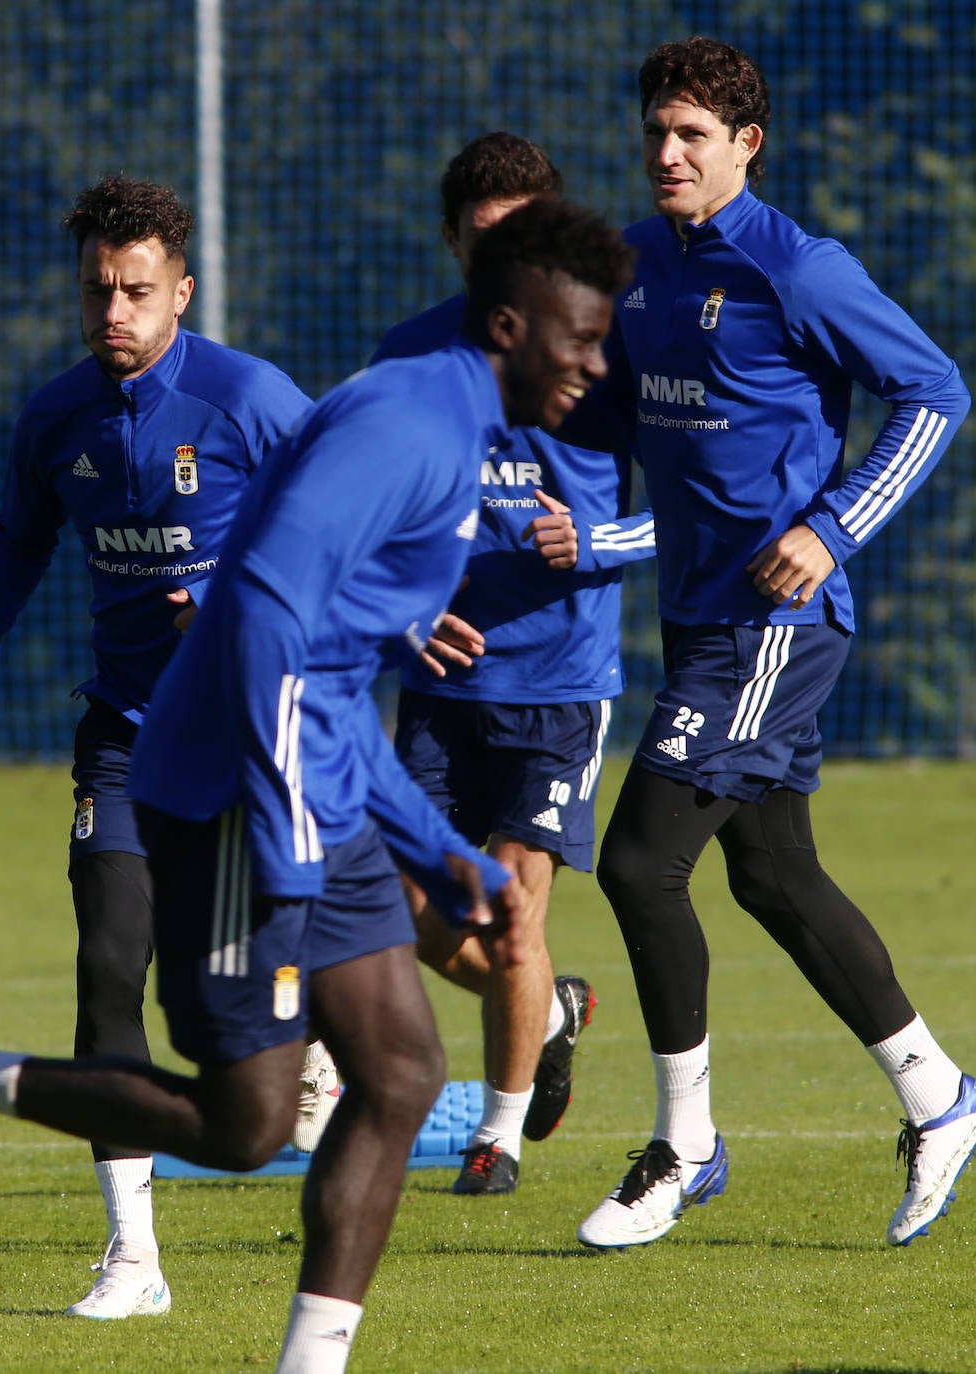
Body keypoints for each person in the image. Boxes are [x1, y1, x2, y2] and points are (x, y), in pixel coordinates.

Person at [0, 197, 635, 1372]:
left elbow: (324, 666)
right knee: (245, 1119)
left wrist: (434, 848)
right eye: (581, 336)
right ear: (512, 324)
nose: (597, 361)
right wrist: (299, 840)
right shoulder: (410, 424)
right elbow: (265, 617)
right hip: (227, 793)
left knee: (404, 1072)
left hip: (306, 779)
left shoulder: (433, 419)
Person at [568, 36, 974, 1251]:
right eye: (655, 132)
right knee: (773, 876)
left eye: (693, 135)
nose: (667, 154)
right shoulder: (634, 265)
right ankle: (939, 1097)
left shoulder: (800, 268)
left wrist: (832, 529)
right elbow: (609, 425)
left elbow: (937, 391)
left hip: (774, 626)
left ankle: (684, 1145)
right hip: (698, 617)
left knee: (640, 862)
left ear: (747, 145)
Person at [0, 174, 312, 1316]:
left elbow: (340, 522)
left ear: (180, 291)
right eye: (98, 288)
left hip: (250, 734)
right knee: (109, 968)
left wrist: (253, 610)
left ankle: (337, 1049)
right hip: (126, 737)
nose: (113, 309)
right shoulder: (57, 417)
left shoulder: (251, 400)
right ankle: (134, 1259)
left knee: (232, 1013)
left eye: (136, 290)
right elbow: (16, 542)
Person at [371, 132, 655, 1194]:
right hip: (438, 681)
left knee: (515, 905)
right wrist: (403, 615)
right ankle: (552, 1010)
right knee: (398, 905)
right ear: (451, 243)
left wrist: (595, 541)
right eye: (485, 241)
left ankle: (494, 1137)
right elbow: (370, 515)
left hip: (556, 681)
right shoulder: (408, 355)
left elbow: (694, 506)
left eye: (525, 237)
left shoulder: (607, 351)